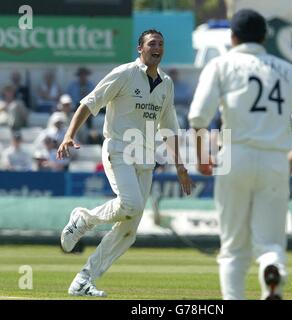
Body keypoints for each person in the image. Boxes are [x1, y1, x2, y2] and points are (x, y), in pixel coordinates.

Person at [188, 9, 292, 300]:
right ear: (264, 37)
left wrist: (201, 157)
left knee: (234, 248)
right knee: (271, 242)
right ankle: (271, 268)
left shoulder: (221, 64)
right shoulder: (286, 69)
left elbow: (198, 117)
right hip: (275, 159)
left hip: (235, 156)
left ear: (233, 37)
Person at [57, 29, 194, 297]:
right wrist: (69, 135)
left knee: (129, 230)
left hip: (146, 157)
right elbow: (89, 102)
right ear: (139, 49)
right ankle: (83, 219)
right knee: (130, 205)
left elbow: (170, 129)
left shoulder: (166, 83)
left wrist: (180, 167)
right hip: (118, 149)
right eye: (152, 44)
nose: (158, 48)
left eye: (161, 44)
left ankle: (84, 280)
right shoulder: (124, 73)